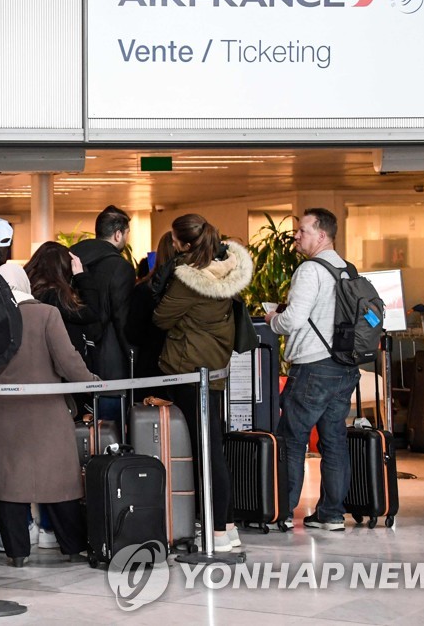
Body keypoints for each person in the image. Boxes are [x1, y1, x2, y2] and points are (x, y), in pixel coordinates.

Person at [153, 214, 253, 552]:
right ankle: (228, 526)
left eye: (174, 241)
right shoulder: (228, 269)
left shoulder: (189, 280)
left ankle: (217, 532)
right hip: (213, 369)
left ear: (183, 244)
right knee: (213, 449)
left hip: (189, 368)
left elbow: (161, 317)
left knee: (205, 454)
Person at [0, 263, 95, 566]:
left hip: (1, 414)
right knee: (59, 484)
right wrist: (92, 382)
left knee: (8, 486)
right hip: (47, 413)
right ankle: (72, 546)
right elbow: (67, 361)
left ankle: (17, 553)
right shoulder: (47, 314)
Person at [265, 208, 360, 531]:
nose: (296, 236)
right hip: (343, 367)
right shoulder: (346, 269)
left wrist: (272, 320)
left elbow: (293, 320)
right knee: (334, 440)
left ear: (321, 235)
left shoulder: (310, 270)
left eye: (302, 230)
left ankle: (283, 512)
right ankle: (331, 514)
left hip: (313, 367)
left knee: (292, 439)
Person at [69, 205, 135, 418]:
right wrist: (133, 356)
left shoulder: (70, 259)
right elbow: (122, 318)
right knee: (110, 429)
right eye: (126, 233)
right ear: (118, 234)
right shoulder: (120, 267)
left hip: (74, 358)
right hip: (110, 363)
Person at [126, 231, 177, 380]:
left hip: (149, 365)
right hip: (180, 366)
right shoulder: (188, 290)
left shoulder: (143, 289)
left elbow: (133, 333)